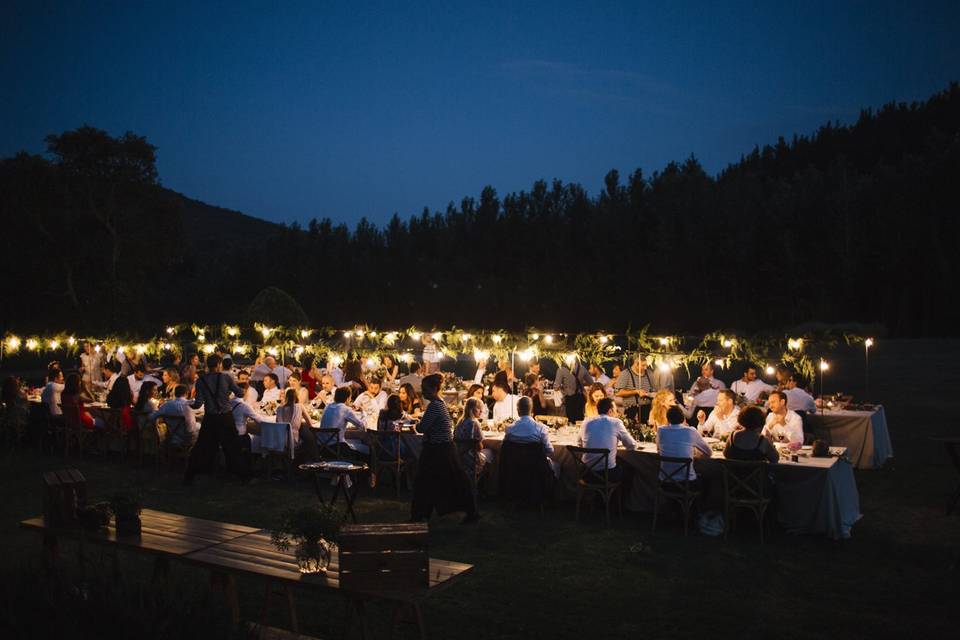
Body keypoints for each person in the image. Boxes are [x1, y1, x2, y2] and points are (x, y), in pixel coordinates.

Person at [411, 373, 478, 524]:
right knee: (451, 480)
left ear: (434, 389)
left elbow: (422, 428)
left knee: (426, 481)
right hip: (444, 448)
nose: (423, 392)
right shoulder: (440, 405)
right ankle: (422, 513)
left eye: (425, 389)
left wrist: (415, 425)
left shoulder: (434, 406)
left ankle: (420, 513)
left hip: (437, 450)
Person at [185, 354, 252, 485]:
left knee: (202, 446)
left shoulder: (201, 380)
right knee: (232, 446)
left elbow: (198, 403)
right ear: (218, 365)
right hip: (225, 417)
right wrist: (243, 387)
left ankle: (190, 475)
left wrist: (187, 404)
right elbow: (239, 393)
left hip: (210, 417)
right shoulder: (226, 378)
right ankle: (243, 476)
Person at [579, 397, 637, 483]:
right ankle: (612, 495)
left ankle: (602, 495)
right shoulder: (615, 422)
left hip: (586, 473)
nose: (616, 413)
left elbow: (579, 444)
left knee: (616, 462)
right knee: (629, 470)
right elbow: (632, 445)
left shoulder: (586, 422)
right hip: (606, 475)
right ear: (610, 411)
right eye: (615, 410)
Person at [657, 406, 713, 484]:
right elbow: (709, 452)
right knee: (710, 478)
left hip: (665, 482)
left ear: (668, 418)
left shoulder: (660, 430)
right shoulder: (691, 431)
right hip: (687, 483)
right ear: (683, 418)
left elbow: (658, 450)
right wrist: (696, 456)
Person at [504, 396, 558, 476]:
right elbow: (550, 450)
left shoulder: (509, 429)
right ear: (531, 410)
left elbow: (505, 450)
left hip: (515, 470)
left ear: (518, 410)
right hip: (537, 470)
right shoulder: (540, 428)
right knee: (557, 466)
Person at [614, 354, 669, 424]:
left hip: (648, 409)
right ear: (636, 364)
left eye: (646, 365)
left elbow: (655, 388)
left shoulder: (649, 373)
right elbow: (617, 392)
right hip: (632, 410)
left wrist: (652, 393)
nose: (645, 368)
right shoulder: (626, 374)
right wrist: (636, 391)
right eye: (643, 365)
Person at [318, 386, 369, 455]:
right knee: (367, 448)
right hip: (338, 448)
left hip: (323, 447)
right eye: (350, 398)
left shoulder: (328, 406)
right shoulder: (345, 409)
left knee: (355, 436)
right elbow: (362, 426)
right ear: (347, 398)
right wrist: (364, 413)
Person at [454, 397, 492, 486]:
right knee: (492, 453)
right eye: (479, 409)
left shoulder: (460, 422)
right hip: (470, 458)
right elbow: (479, 447)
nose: (481, 411)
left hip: (459, 458)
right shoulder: (474, 423)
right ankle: (489, 487)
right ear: (472, 409)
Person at [276, 388, 319, 462]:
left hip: (279, 441)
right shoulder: (299, 406)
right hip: (293, 441)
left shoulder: (279, 409)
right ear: (296, 397)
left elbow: (278, 425)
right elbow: (310, 423)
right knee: (311, 438)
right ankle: (313, 461)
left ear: (286, 397)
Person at [554, 357, 592, 422]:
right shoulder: (582, 368)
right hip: (580, 398)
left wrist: (563, 387)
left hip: (569, 398)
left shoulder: (561, 369)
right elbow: (591, 382)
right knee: (580, 419)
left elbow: (556, 387)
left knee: (570, 420)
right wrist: (581, 384)